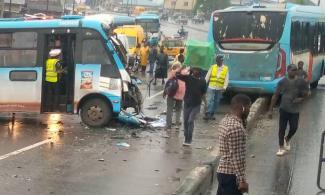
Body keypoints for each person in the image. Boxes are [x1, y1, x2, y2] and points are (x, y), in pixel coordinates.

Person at [268, 64, 310, 156]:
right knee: (282, 128)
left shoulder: (301, 81)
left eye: (295, 70)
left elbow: (307, 93)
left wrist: (301, 99)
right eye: (293, 70)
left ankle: (287, 138)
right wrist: (270, 110)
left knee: (294, 128)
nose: (294, 71)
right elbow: (275, 95)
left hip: (295, 109)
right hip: (284, 108)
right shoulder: (282, 82)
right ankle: (281, 147)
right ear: (288, 71)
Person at [217, 94, 251, 195]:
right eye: (249, 107)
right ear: (243, 108)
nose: (249, 110)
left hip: (223, 172)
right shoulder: (236, 128)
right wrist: (242, 180)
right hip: (231, 175)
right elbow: (236, 157)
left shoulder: (225, 120)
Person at [176, 67, 207, 146]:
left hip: (196, 105)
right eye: (194, 69)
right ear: (192, 70)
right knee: (186, 122)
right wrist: (182, 67)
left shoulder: (203, 81)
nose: (195, 71)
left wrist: (205, 103)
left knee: (190, 121)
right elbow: (177, 75)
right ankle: (186, 137)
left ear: (200, 71)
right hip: (187, 103)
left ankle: (189, 139)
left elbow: (203, 93)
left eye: (197, 69)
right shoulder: (188, 78)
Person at [204, 55, 229, 120]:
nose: (218, 62)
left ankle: (212, 114)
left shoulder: (226, 68)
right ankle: (207, 113)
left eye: (219, 61)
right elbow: (207, 76)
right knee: (209, 100)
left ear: (222, 61)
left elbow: (226, 79)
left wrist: (224, 87)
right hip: (211, 86)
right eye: (217, 61)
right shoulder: (212, 67)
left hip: (219, 88)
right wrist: (203, 84)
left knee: (216, 101)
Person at [164, 62, 186, 130]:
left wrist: (165, 91)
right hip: (181, 93)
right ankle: (177, 124)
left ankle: (168, 125)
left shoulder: (174, 72)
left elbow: (169, 81)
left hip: (173, 92)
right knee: (178, 109)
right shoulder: (185, 73)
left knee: (169, 109)